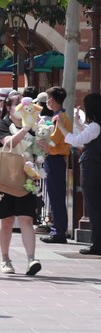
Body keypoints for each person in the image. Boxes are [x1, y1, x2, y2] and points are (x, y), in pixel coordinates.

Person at [0, 91, 42, 276]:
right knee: (7, 221)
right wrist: (26, 129)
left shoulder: (34, 126)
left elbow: (40, 149)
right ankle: (5, 259)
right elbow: (9, 143)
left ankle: (31, 259)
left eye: (23, 103)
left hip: (27, 177)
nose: (20, 107)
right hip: (6, 176)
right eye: (16, 104)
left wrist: (44, 143)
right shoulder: (2, 124)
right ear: (8, 108)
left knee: (27, 219)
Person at [59, 93, 101, 255]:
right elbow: (89, 136)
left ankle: (97, 244)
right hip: (95, 166)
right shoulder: (96, 126)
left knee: (93, 205)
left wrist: (62, 127)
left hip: (91, 167)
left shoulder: (95, 126)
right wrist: (78, 123)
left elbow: (77, 141)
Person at [39, 86, 72, 244]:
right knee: (55, 196)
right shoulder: (60, 116)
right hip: (55, 159)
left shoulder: (59, 118)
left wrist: (40, 141)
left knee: (56, 196)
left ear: (51, 100)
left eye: (48, 99)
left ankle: (58, 231)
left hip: (55, 159)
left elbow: (53, 141)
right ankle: (58, 229)